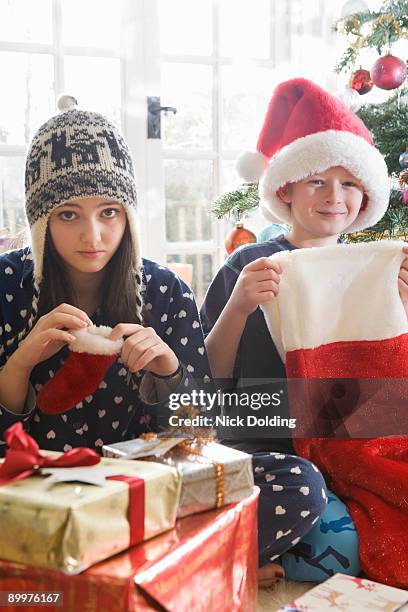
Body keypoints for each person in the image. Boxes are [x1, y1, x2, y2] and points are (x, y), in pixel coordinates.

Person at [201, 78, 408, 585]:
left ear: (366, 197)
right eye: (317, 180)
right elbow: (206, 378)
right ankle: (239, 556)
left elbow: (389, 391)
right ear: (285, 189)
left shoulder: (377, 269)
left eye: (349, 184)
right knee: (338, 539)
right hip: (266, 444)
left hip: (351, 441)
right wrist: (239, 306)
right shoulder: (248, 264)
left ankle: (269, 554)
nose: (334, 197)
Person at [0, 95, 211, 455]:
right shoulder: (7, 285)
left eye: (109, 212)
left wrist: (170, 372)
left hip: (140, 486)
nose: (93, 236)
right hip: (35, 491)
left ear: (128, 216)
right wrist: (19, 365)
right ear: (41, 222)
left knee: (299, 481)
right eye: (69, 214)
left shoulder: (166, 291)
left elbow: (199, 438)